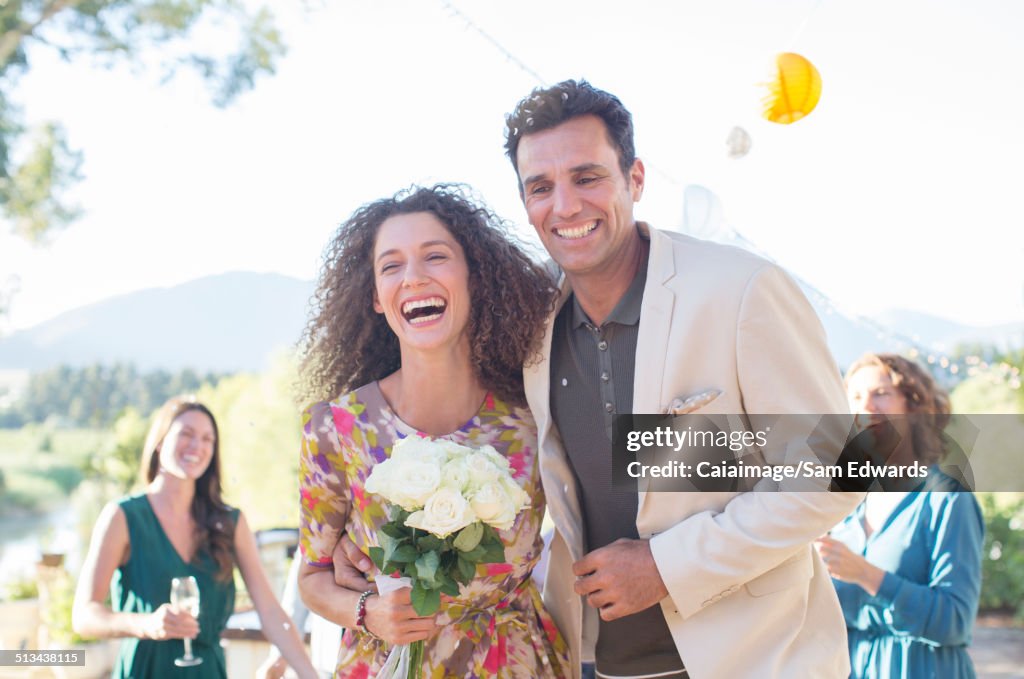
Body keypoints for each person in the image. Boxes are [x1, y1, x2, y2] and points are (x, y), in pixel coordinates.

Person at [335, 80, 864, 679]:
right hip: (595, 663)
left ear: (635, 178)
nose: (564, 206)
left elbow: (839, 472)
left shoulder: (741, 291)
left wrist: (667, 566)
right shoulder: (528, 324)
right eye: (541, 187)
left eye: (586, 177)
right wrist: (377, 536)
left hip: (756, 659)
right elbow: (473, 434)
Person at [294, 184, 570, 677]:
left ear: (475, 276)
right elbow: (313, 576)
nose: (414, 277)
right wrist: (368, 614)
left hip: (515, 663)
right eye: (391, 265)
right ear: (376, 298)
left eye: (435, 256)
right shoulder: (334, 429)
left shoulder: (534, 416)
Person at [72, 396, 318, 679]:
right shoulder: (122, 517)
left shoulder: (230, 523)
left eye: (207, 439)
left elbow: (272, 613)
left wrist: (310, 675)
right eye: (186, 434)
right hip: (145, 671)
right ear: (161, 441)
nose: (197, 446)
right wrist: (146, 624)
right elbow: (84, 616)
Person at [816, 353, 984, 679]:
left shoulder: (947, 499)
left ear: (914, 408)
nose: (867, 406)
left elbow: (955, 621)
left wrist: (866, 574)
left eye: (881, 394)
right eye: (856, 397)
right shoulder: (845, 504)